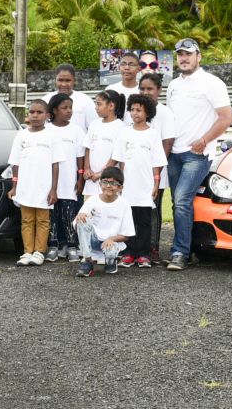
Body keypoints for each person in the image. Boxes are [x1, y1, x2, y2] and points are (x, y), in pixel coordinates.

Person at [164, 38, 232, 271]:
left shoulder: (212, 83)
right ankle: (191, 248)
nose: (183, 58)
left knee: (182, 201)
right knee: (178, 203)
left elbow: (226, 118)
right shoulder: (173, 85)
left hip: (197, 153)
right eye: (180, 55)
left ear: (198, 56)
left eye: (188, 54)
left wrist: (204, 140)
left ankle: (180, 253)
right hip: (174, 152)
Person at [8, 100, 66, 267]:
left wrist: (53, 190)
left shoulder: (52, 136)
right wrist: (14, 186)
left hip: (44, 187)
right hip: (25, 187)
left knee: (42, 220)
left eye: (39, 112)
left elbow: (55, 164)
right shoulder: (21, 135)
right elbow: (15, 163)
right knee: (26, 220)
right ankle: (27, 252)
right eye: (32, 112)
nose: (34, 115)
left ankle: (39, 252)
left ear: (47, 115)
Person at [117, 94, 167, 268]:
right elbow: (121, 161)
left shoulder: (153, 134)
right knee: (128, 220)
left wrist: (156, 184)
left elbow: (157, 163)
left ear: (148, 112)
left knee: (144, 221)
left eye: (139, 110)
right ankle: (129, 252)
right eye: (132, 109)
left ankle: (144, 254)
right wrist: (120, 184)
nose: (134, 113)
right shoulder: (124, 133)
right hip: (128, 186)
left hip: (145, 185)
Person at [138, 73, 177, 260]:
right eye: (142, 88)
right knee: (136, 211)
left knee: (153, 211)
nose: (145, 92)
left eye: (150, 89)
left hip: (155, 173)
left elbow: (167, 144)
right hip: (135, 172)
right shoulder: (136, 111)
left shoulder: (164, 113)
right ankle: (136, 248)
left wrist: (156, 173)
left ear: (159, 91)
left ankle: (152, 248)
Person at [74, 167, 135, 276]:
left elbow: (126, 235)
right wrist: (80, 215)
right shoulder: (92, 200)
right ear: (100, 184)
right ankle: (87, 261)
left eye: (113, 183)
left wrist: (111, 238)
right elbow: (77, 226)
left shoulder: (124, 205)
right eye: (105, 182)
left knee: (111, 250)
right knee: (81, 220)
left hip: (111, 242)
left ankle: (111, 261)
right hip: (94, 239)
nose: (108, 186)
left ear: (120, 188)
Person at [46, 93, 83, 263]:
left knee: (69, 214)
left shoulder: (76, 130)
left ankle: (72, 246)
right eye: (64, 108)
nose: (69, 111)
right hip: (49, 182)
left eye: (70, 108)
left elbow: (80, 156)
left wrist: (80, 177)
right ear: (54, 110)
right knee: (52, 216)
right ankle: (53, 246)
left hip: (69, 181)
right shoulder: (46, 130)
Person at [44, 63, 98, 134]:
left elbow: (94, 129)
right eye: (60, 80)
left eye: (67, 80)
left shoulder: (86, 101)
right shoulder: (46, 100)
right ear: (55, 80)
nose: (64, 84)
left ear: (74, 80)